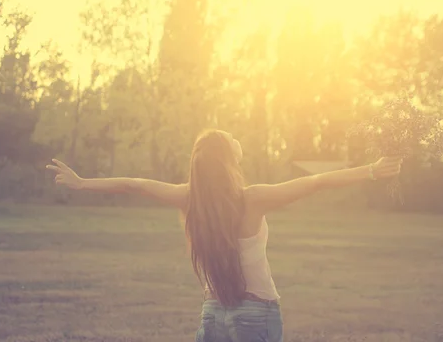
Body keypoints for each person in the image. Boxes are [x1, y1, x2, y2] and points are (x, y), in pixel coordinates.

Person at [46, 129, 402, 342]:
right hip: (257, 314)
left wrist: (82, 183)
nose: (235, 137)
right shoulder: (253, 198)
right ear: (229, 157)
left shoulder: (188, 197)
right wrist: (371, 171)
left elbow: (133, 185)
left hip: (213, 314)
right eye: (231, 137)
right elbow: (316, 182)